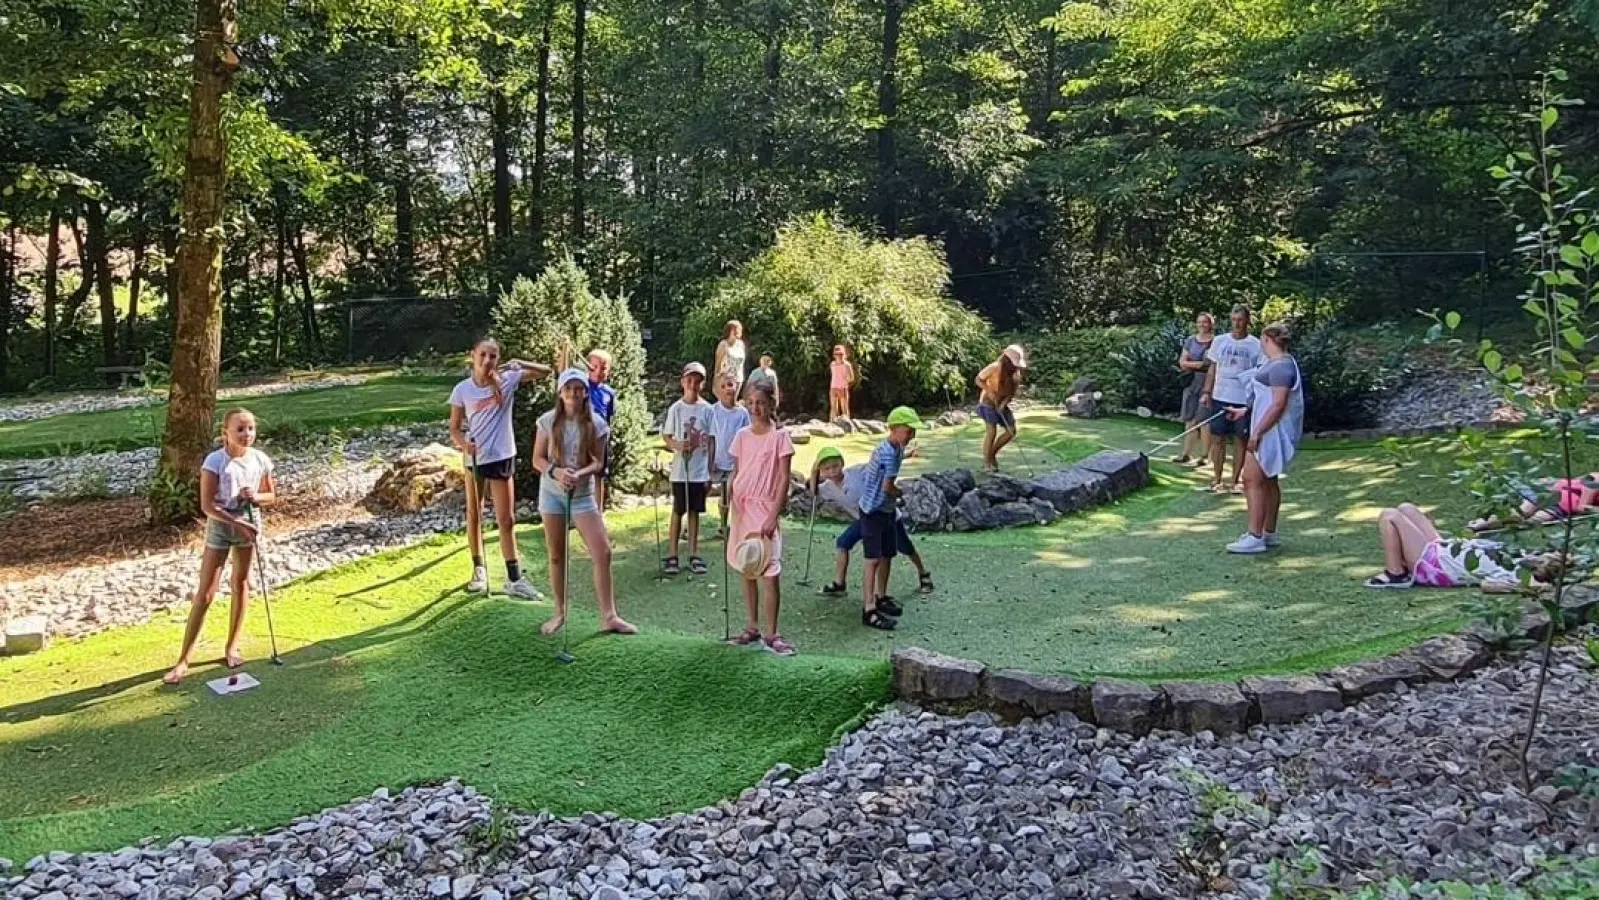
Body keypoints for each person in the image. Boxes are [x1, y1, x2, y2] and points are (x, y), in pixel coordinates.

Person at [163, 409, 277, 684]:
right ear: (225, 431)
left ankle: (232, 647)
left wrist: (257, 497)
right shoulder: (215, 461)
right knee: (206, 593)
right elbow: (206, 506)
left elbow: (271, 495)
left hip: (249, 524)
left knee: (241, 583)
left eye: (250, 428)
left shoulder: (260, 459)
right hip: (222, 526)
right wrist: (234, 522)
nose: (246, 434)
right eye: (240, 429)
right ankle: (183, 661)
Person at [532, 368, 637, 636]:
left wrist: (577, 474)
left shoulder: (597, 424)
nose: (574, 393)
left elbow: (598, 462)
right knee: (556, 555)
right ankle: (559, 612)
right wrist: (557, 473)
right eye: (569, 388)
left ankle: (609, 616)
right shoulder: (547, 421)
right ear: (560, 391)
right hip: (552, 492)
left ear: (585, 393)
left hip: (582, 495)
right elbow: (538, 459)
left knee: (602, 552)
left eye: (579, 389)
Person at [448, 338, 551, 598]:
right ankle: (479, 570)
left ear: (498, 358)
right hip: (475, 459)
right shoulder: (462, 390)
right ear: (473, 355)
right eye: (482, 354)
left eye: (493, 356)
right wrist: (463, 444)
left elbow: (547, 371)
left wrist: (520, 363)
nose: (487, 360)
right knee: (475, 513)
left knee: (506, 519)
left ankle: (514, 579)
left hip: (502, 455)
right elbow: (454, 428)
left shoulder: (508, 379)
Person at [725, 382, 797, 655]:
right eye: (751, 402)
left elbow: (782, 479)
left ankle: (772, 633)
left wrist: (772, 515)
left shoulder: (780, 437)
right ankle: (752, 626)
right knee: (747, 566)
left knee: (770, 571)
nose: (756, 408)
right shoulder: (742, 435)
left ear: (771, 404)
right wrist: (726, 496)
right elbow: (737, 471)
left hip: (765, 508)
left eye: (761, 403)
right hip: (742, 509)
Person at [813, 446, 934, 606]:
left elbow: (880, 464)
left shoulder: (856, 472)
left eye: (835, 466)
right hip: (863, 520)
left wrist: (905, 455)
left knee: (905, 547)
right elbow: (813, 491)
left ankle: (923, 573)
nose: (833, 472)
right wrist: (813, 472)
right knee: (843, 543)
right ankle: (839, 584)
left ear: (842, 463)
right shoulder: (827, 487)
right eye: (826, 469)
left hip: (885, 516)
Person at [1226, 322, 1305, 554]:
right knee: (1268, 480)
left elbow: (1279, 404)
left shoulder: (1281, 366)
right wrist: (1244, 412)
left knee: (1251, 479)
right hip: (1267, 427)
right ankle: (1268, 532)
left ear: (1268, 339)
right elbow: (1265, 398)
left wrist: (1257, 431)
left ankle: (1255, 536)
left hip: (1271, 431)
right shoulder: (1278, 363)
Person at [857, 406, 924, 630]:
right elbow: (887, 487)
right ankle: (869, 609)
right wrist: (900, 493)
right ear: (894, 429)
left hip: (884, 511)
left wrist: (908, 453)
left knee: (887, 554)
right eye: (908, 431)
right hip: (872, 510)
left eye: (913, 431)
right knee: (873, 560)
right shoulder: (889, 453)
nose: (911, 435)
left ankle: (881, 596)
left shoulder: (893, 448)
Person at [1365, 503, 1523, 590]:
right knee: (1407, 508)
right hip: (1447, 548)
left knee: (1390, 515)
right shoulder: (1528, 555)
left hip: (1439, 566)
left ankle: (1395, 574)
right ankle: (1403, 563)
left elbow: (1487, 585)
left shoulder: (1520, 577)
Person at [1202, 305, 1263, 494]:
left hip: (1243, 400)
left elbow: (1260, 372)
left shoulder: (1256, 344)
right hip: (1220, 396)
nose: (1236, 323)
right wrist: (1207, 392)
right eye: (1234, 319)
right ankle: (1216, 479)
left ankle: (1236, 481)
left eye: (1240, 320)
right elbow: (1213, 368)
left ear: (1247, 321)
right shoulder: (1219, 341)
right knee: (1217, 439)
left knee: (1241, 440)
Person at [663, 361, 715, 575]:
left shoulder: (707, 409)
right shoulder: (676, 409)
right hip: (680, 471)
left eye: (698, 381)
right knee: (678, 510)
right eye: (690, 380)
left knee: (695, 511)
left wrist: (710, 471)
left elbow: (711, 440)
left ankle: (694, 553)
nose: (693, 384)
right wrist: (677, 445)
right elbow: (666, 435)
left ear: (702, 384)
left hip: (699, 470)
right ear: (683, 382)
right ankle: (672, 554)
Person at [707, 372, 751, 540]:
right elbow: (710, 437)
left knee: (731, 494)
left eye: (730, 385)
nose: (727, 390)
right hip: (717, 460)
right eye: (723, 386)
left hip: (734, 462)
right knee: (704, 492)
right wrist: (710, 461)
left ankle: (726, 526)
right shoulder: (713, 411)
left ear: (737, 387)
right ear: (717, 390)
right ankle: (690, 524)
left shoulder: (742, 414)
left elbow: (747, 438)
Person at [976, 344, 1027, 472]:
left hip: (1001, 403)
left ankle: (992, 454)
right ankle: (987, 463)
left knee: (1011, 431)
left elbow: (1011, 392)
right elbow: (978, 379)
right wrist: (989, 391)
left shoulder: (1015, 373)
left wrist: (1003, 404)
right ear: (1007, 359)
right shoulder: (994, 367)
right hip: (987, 402)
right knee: (991, 431)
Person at [1174, 313, 1216, 466]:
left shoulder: (1215, 342)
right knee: (1189, 419)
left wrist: (1193, 363)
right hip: (1190, 382)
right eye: (1199, 322)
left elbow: (1210, 364)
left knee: (1204, 420)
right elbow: (1182, 362)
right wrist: (1197, 364)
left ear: (1211, 324)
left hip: (1208, 383)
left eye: (1205, 322)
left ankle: (1205, 456)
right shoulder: (1190, 340)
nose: (1202, 325)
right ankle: (1186, 454)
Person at [586, 349, 617, 510]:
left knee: (599, 474)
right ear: (588, 367)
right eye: (594, 367)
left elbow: (608, 416)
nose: (598, 371)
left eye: (603, 368)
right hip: (583, 437)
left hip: (600, 438)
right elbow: (563, 373)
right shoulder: (582, 386)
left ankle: (598, 512)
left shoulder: (609, 393)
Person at [714, 320, 748, 400]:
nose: (741, 331)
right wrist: (715, 383)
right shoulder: (723, 345)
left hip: (738, 379)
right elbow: (718, 366)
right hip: (725, 379)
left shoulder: (741, 344)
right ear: (732, 330)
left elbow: (742, 363)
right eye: (739, 329)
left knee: (733, 403)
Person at [828, 345, 855, 422]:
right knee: (833, 407)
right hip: (833, 387)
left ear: (844, 354)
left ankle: (847, 423)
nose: (838, 356)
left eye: (840, 354)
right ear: (834, 355)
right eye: (836, 354)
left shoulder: (847, 365)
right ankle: (832, 422)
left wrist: (845, 381)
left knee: (844, 407)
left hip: (843, 387)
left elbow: (851, 377)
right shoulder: (832, 364)